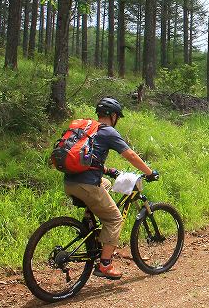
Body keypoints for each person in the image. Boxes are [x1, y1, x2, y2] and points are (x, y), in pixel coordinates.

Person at [63, 97, 158, 280]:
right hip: (87, 185)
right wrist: (149, 172)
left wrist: (107, 170)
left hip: (70, 183)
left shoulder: (89, 130)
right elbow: (129, 154)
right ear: (113, 116)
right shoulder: (108, 131)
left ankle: (89, 219)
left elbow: (88, 159)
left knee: (105, 184)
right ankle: (105, 264)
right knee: (115, 219)